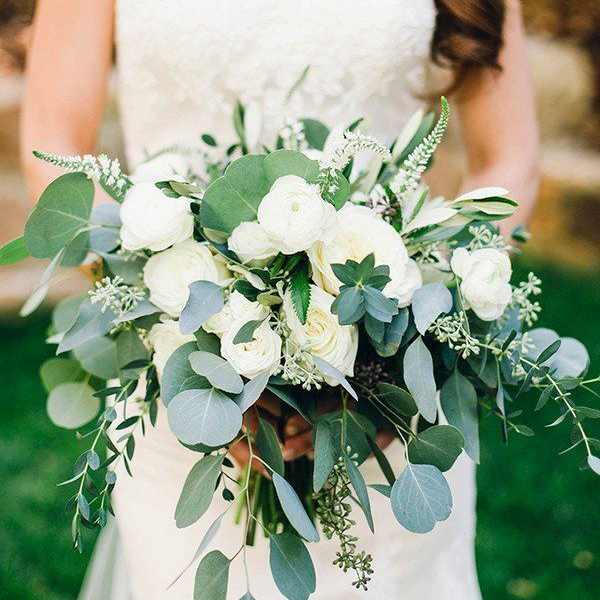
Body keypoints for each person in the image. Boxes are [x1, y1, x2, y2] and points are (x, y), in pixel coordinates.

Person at [21, 1, 538, 598]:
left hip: (390, 390)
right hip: (185, 377)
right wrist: (185, 327)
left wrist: (393, 356)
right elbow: (54, 142)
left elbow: (509, 158)